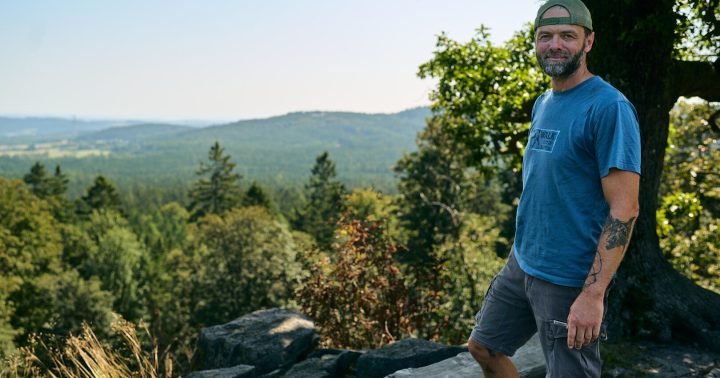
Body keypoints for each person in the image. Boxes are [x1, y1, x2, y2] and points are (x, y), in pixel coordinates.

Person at [466, 0, 641, 376]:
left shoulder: (609, 108)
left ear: (588, 42)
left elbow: (625, 209)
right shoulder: (543, 102)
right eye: (545, 36)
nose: (555, 45)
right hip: (523, 262)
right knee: (484, 347)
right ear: (535, 42)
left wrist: (592, 295)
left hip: (569, 278)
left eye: (567, 35)